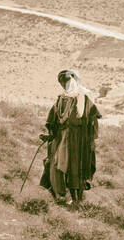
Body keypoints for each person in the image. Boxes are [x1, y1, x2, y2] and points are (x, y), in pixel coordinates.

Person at [38, 69, 101, 205]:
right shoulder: (61, 99)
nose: (63, 84)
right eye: (61, 82)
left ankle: (77, 199)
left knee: (77, 166)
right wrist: (49, 135)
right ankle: (60, 195)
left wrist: (91, 140)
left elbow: (93, 121)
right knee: (56, 163)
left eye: (65, 81)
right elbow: (53, 120)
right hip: (62, 138)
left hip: (80, 140)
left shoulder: (84, 98)